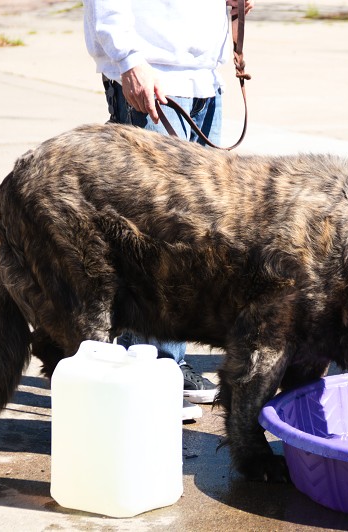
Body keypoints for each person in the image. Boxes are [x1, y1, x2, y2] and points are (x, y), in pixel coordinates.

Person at [83, 0, 252, 420]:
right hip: (152, 75)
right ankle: (148, 368)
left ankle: (166, 362)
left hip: (203, 79)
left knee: (192, 240)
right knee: (150, 238)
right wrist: (128, 60)